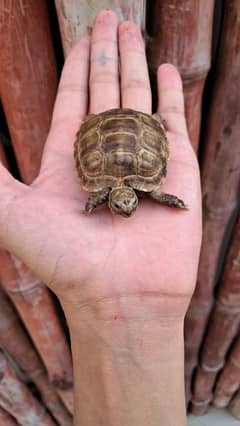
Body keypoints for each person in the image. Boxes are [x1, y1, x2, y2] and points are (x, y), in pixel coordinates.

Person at [0, 9, 202, 426]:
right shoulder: (103, 194)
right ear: (115, 199)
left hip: (128, 137)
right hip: (122, 135)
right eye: (123, 205)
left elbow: (152, 191)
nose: (126, 208)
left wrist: (162, 197)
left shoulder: (138, 189)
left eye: (127, 205)